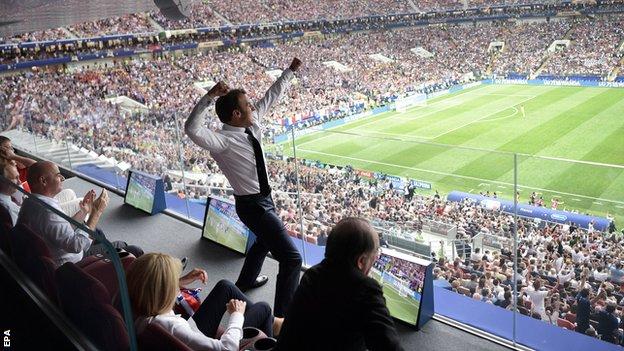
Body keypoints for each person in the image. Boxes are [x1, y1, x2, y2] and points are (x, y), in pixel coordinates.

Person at [185, 58, 303, 318]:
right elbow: (191, 128)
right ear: (236, 115)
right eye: (249, 105)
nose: (254, 107)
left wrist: (290, 72)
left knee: (264, 241)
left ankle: (246, 281)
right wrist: (208, 97)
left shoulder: (251, 124)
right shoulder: (222, 141)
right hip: (252, 206)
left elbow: (271, 97)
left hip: (264, 200)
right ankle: (283, 321)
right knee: (292, 258)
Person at [275, 218, 404, 351]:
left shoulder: (312, 274)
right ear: (361, 261)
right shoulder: (366, 289)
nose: (376, 257)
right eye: (375, 253)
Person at [128, 253, 281, 351]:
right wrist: (236, 316)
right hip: (199, 336)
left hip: (192, 328)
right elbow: (227, 349)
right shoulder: (173, 327)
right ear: (163, 292)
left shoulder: (137, 305)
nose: (177, 287)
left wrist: (182, 280)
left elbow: (152, 288)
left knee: (225, 286)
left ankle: (274, 323)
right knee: (264, 308)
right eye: (173, 283)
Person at [16, 161, 142, 266]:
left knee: (97, 232)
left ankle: (106, 252)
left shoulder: (29, 203)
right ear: (43, 181)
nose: (62, 178)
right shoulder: (48, 212)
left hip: (54, 254)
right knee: (129, 248)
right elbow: (76, 245)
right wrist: (96, 212)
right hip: (72, 264)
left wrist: (84, 211)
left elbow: (61, 228)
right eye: (58, 175)